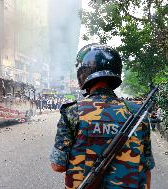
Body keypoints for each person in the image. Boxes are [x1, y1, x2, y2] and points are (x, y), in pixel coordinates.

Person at [50, 44, 155, 189]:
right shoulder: (137, 113)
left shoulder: (73, 112)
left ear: (84, 72)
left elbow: (57, 165)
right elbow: (147, 167)